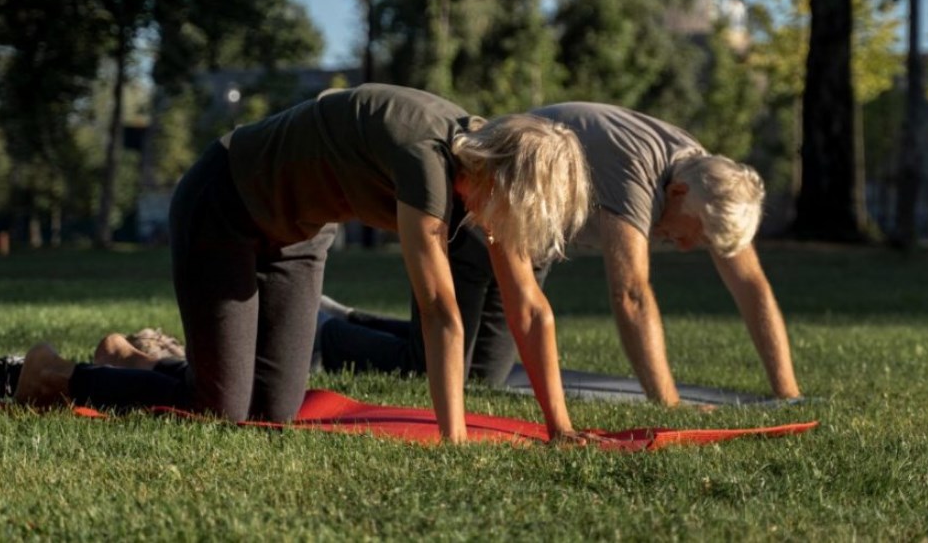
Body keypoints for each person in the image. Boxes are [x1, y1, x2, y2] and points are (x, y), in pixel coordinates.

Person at [13, 84, 594, 443]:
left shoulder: (486, 167)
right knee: (217, 412)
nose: (511, 232)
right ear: (501, 177)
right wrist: (454, 440)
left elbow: (531, 311)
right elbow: (440, 312)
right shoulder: (430, 163)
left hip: (298, 238)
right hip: (225, 205)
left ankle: (129, 359)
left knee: (271, 412)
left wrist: (561, 428)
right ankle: (51, 375)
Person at [317, 101, 802, 406]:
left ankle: (353, 320)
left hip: (536, 234)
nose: (689, 247)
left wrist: (787, 393)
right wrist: (667, 405)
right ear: (675, 194)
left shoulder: (708, 178)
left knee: (484, 375)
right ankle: (329, 335)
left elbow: (751, 283)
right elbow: (630, 293)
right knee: (434, 367)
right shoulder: (638, 175)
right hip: (487, 206)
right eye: (692, 234)